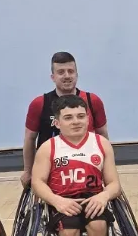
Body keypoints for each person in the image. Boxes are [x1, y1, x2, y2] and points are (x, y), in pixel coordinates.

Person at [31, 95, 122, 236]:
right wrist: (57, 201)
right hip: (63, 201)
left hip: (93, 199)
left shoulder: (101, 143)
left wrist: (104, 196)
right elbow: (37, 182)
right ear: (57, 122)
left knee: (98, 224)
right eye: (69, 117)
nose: (76, 121)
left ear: (88, 119)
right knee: (68, 230)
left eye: (81, 116)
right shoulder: (49, 147)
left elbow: (115, 184)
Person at [21, 52, 108, 187]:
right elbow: (29, 139)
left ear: (76, 75)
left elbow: (102, 135)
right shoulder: (39, 104)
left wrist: (107, 166)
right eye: (61, 72)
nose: (67, 76)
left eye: (71, 71)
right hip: (51, 169)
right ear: (53, 77)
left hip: (88, 166)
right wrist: (28, 170)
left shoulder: (93, 101)